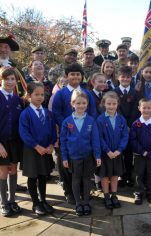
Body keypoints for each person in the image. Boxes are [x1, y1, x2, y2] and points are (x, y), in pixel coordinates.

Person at [52, 63, 97, 204]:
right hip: (67, 134)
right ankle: (69, 192)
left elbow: (93, 111)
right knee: (66, 166)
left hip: (84, 135)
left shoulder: (87, 93)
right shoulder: (60, 94)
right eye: (72, 74)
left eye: (78, 74)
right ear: (66, 76)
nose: (75, 77)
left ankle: (85, 191)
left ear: (82, 76)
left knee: (84, 166)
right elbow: (56, 112)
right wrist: (67, 125)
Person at [0, 66, 24, 216]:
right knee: (3, 172)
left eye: (12, 79)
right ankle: (4, 202)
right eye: (6, 79)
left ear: (16, 81)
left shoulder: (17, 100)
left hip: (14, 142)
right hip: (1, 143)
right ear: (0, 80)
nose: (9, 82)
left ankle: (12, 200)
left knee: (13, 170)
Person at [60, 89, 101, 216]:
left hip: (88, 156)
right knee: (76, 179)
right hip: (74, 157)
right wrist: (65, 157)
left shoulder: (91, 120)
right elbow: (63, 140)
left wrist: (97, 155)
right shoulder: (67, 121)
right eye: (78, 103)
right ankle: (78, 203)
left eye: (84, 103)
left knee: (87, 179)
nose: (81, 106)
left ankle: (86, 202)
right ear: (72, 104)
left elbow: (95, 139)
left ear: (87, 104)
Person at [19, 82, 56, 216]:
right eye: (36, 94)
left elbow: (52, 129)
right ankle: (35, 203)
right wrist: (36, 146)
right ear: (29, 95)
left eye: (42, 94)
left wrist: (52, 144)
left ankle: (43, 200)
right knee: (33, 177)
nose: (40, 97)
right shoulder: (25, 114)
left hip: (45, 150)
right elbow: (24, 133)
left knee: (43, 176)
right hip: (32, 150)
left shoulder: (47, 113)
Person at [96, 91, 128, 209]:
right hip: (106, 154)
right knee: (104, 176)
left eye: (114, 104)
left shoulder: (121, 119)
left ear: (117, 104)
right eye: (108, 104)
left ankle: (114, 195)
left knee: (115, 175)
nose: (111, 106)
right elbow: (99, 137)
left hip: (117, 153)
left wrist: (119, 150)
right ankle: (106, 196)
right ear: (104, 104)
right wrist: (107, 151)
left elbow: (125, 136)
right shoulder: (100, 120)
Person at [130, 98, 151, 204]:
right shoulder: (135, 124)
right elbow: (133, 140)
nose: (146, 110)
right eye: (144, 108)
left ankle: (150, 192)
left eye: (149, 108)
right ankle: (138, 192)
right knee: (139, 173)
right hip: (139, 155)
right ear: (139, 108)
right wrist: (142, 151)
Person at [114, 65, 140, 187]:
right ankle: (121, 175)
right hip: (119, 127)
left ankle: (129, 175)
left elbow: (136, 109)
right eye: (123, 77)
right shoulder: (114, 92)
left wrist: (129, 125)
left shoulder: (135, 92)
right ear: (118, 77)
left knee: (129, 153)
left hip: (131, 126)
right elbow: (116, 109)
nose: (125, 79)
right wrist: (124, 125)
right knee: (120, 152)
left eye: (128, 77)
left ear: (131, 78)